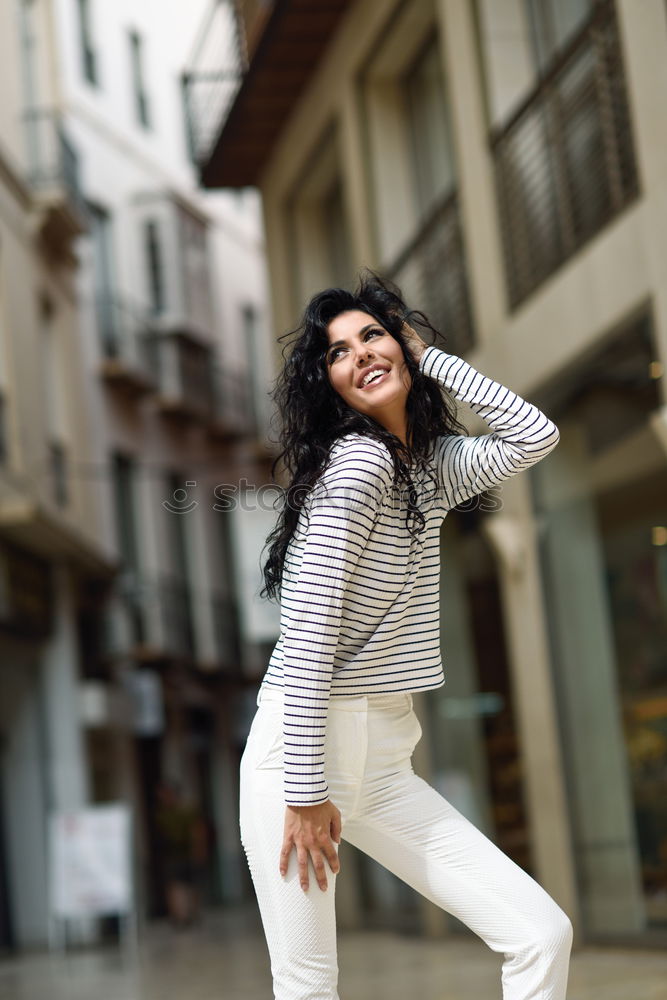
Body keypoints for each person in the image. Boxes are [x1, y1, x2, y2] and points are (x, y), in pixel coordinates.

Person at [239, 270, 573, 999]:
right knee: (307, 984)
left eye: (372, 336)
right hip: (300, 756)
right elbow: (308, 630)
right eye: (337, 353)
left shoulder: (431, 466)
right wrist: (304, 791)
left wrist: (431, 358)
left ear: (402, 346)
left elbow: (534, 434)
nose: (359, 354)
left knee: (538, 933)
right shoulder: (356, 467)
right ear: (327, 386)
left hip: (386, 759)